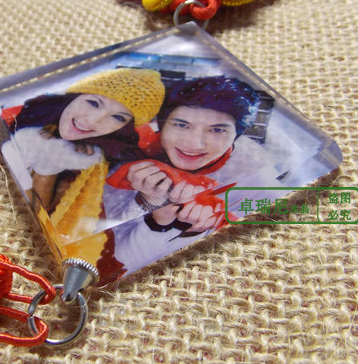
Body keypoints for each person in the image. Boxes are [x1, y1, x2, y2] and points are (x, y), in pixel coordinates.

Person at [99, 75, 283, 278]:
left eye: (217, 130)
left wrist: (199, 228)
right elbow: (107, 257)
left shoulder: (257, 181)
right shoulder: (124, 156)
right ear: (161, 124)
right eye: (181, 125)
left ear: (237, 135)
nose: (194, 144)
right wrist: (148, 206)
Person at [0, 68, 165, 210]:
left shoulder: (98, 162)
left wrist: (50, 164)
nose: (93, 121)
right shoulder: (20, 113)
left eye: (118, 117)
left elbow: (38, 211)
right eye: (93, 103)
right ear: (74, 96)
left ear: (125, 127)